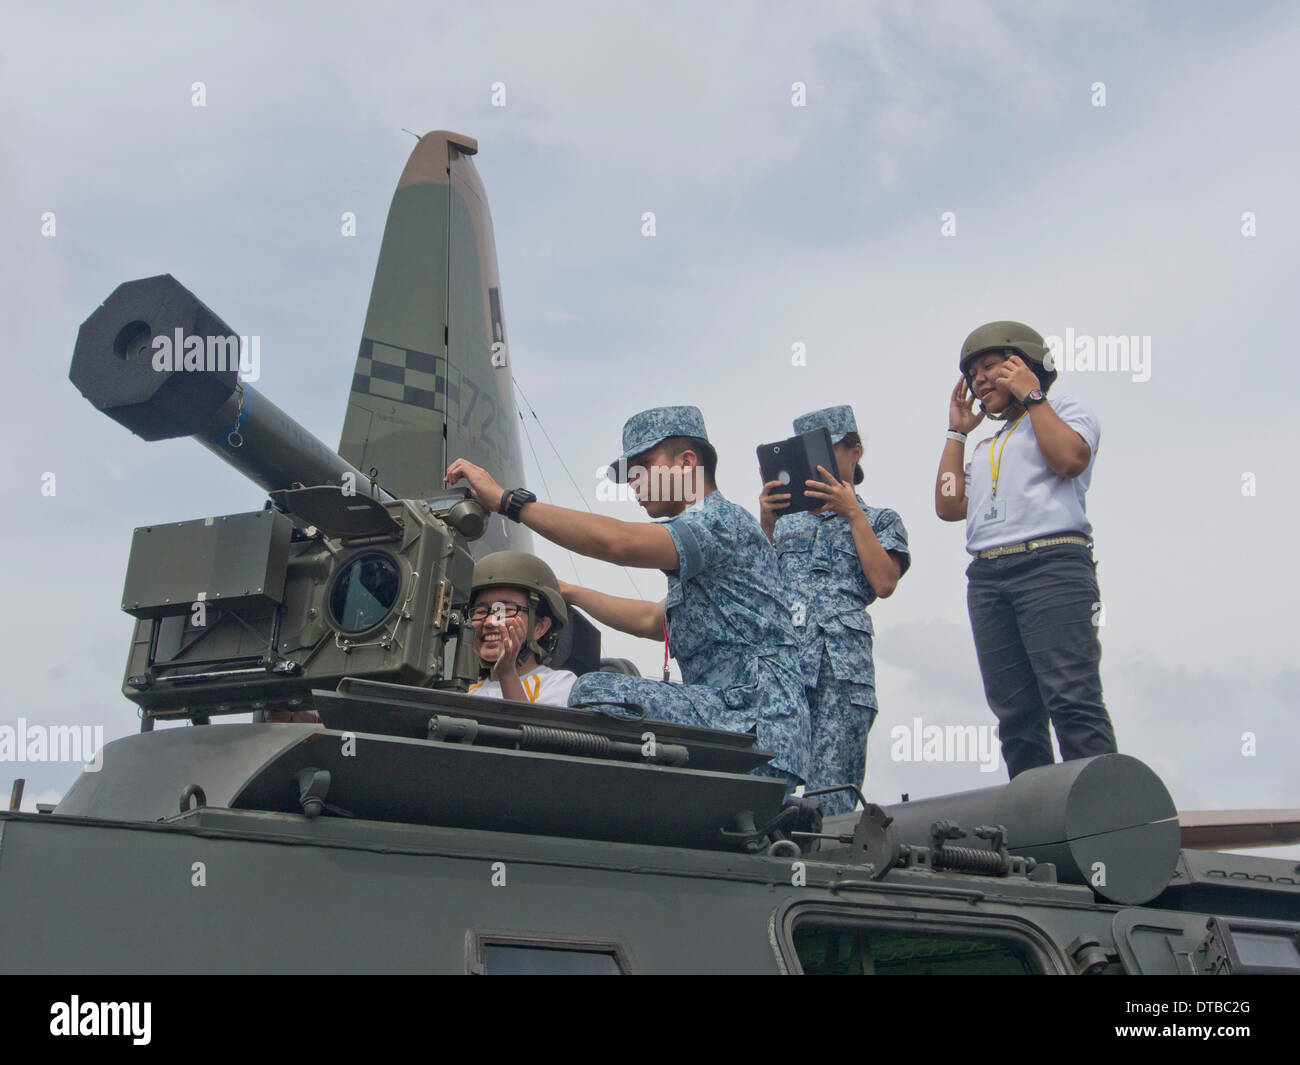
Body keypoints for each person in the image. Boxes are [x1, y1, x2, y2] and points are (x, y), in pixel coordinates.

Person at [445, 405, 810, 789]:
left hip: (754, 721)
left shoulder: (719, 521)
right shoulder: (706, 543)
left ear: (687, 463)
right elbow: (655, 622)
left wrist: (507, 502)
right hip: (736, 720)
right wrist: (571, 592)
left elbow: (620, 544)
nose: (633, 483)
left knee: (592, 689)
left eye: (643, 467)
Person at [935, 320, 1118, 778]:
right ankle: (1039, 826)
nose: (978, 380)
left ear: (1026, 366)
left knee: (1072, 700)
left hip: (1050, 565)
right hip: (989, 577)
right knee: (1015, 716)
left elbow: (1070, 460)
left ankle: (1106, 819)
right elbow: (949, 502)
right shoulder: (987, 445)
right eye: (972, 373)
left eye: (991, 367)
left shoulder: (1065, 410)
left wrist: (1034, 396)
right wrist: (957, 434)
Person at [759, 405, 909, 815]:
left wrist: (852, 513)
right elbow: (756, 591)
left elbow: (883, 582)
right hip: (786, 661)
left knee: (831, 797)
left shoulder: (880, 520)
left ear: (854, 451)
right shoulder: (787, 523)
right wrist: (767, 524)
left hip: (842, 669)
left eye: (825, 448)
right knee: (765, 778)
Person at [464, 551, 577, 706]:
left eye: (505, 611)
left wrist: (507, 674)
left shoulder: (558, 684)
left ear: (539, 627)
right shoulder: (466, 691)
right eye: (481, 612)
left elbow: (536, 730)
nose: (490, 621)